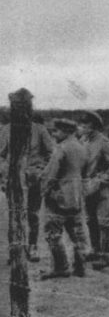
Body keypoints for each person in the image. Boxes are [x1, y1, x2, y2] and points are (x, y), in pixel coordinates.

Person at [0, 89, 55, 262]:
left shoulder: (39, 130)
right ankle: (15, 250)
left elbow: (52, 155)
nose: (21, 110)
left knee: (32, 215)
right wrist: (5, 171)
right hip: (13, 182)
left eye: (24, 106)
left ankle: (32, 247)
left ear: (29, 108)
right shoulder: (7, 130)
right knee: (14, 216)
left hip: (33, 181)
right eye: (17, 107)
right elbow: (1, 155)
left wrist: (39, 171)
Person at [40, 119, 91, 279]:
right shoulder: (82, 148)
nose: (54, 135)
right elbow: (85, 174)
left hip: (59, 197)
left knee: (52, 232)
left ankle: (61, 267)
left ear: (66, 132)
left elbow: (51, 174)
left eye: (56, 131)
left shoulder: (61, 149)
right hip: (76, 197)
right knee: (76, 233)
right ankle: (80, 267)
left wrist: (44, 191)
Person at [79, 111, 109, 270]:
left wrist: (102, 178)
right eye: (82, 124)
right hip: (87, 187)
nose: (82, 127)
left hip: (102, 189)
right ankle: (95, 251)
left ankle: (105, 256)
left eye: (86, 125)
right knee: (91, 221)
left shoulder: (104, 142)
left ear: (95, 126)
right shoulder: (83, 140)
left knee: (104, 222)